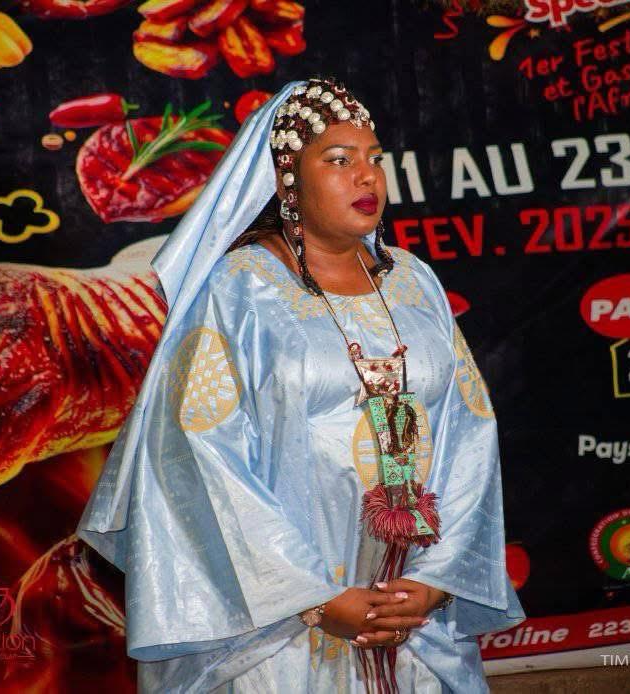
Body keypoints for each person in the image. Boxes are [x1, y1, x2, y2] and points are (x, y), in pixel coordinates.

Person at [77, 77, 525, 694]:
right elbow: (202, 456)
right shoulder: (239, 289)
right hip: (279, 631)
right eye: (339, 160)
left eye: (374, 159)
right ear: (286, 180)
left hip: (414, 617)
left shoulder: (414, 280)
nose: (366, 177)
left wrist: (434, 580)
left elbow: (469, 431)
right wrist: (313, 597)